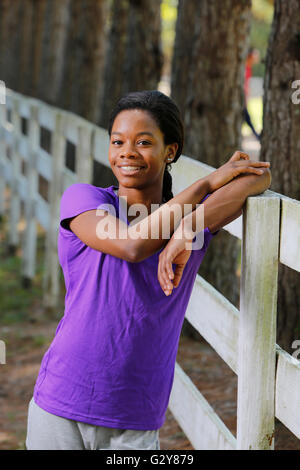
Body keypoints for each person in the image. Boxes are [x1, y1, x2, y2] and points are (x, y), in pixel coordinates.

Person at [26, 90, 271, 450]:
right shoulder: (85, 201)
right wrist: (203, 185)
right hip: (61, 404)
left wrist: (189, 229)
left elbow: (259, 179)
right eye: (118, 141)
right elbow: (132, 244)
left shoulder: (187, 222)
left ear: (170, 151)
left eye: (143, 142)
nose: (127, 151)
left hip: (134, 415)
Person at [243, 47, 261, 141]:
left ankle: (256, 135)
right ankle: (257, 136)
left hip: (244, 96)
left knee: (246, 117)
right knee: (246, 117)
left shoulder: (249, 68)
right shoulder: (244, 67)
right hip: (242, 97)